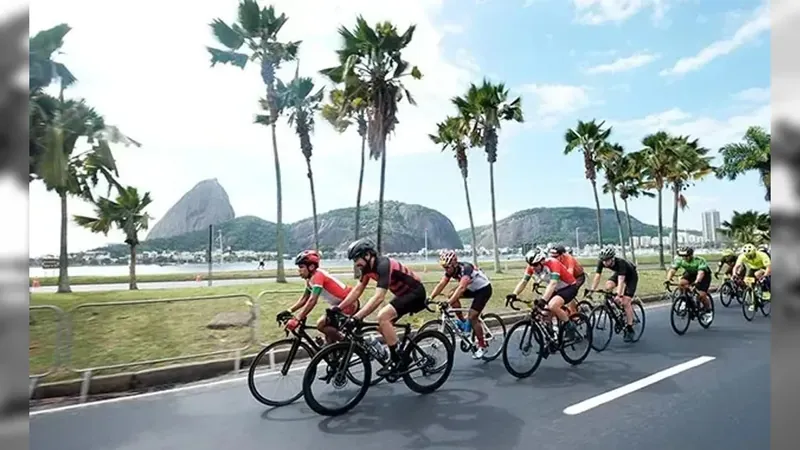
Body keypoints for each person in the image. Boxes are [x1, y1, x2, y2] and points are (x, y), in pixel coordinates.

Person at [336, 238, 427, 376]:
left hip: (416, 293)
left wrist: (356, 317)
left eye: (356, 259)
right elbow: (358, 290)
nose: (356, 264)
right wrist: (339, 308)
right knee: (381, 325)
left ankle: (397, 360)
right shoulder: (367, 269)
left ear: (367, 255)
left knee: (383, 316)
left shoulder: (383, 265)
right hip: (403, 295)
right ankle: (402, 354)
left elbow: (379, 297)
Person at [277, 250, 358, 344]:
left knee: (321, 324)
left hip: (348, 303)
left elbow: (312, 300)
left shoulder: (318, 276)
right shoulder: (310, 280)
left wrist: (298, 318)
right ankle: (335, 348)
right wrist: (288, 311)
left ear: (311, 267)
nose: (299, 270)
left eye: (301, 267)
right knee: (329, 336)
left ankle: (348, 344)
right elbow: (304, 299)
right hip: (339, 305)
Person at [428, 250, 493, 359]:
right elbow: (441, 284)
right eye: (444, 268)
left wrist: (448, 303)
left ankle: (482, 345)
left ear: (454, 264)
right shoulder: (450, 271)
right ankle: (463, 322)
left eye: (447, 267)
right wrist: (430, 297)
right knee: (451, 294)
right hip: (472, 289)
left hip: (484, 289)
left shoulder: (466, 268)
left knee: (473, 317)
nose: (446, 270)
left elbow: (462, 288)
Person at [506, 249, 581, 338]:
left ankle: (570, 326)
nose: (532, 267)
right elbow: (524, 281)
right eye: (531, 265)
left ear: (542, 261)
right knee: (544, 314)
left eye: (535, 265)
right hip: (556, 289)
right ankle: (551, 338)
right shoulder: (531, 267)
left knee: (553, 305)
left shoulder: (553, 263)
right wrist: (514, 293)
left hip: (569, 287)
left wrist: (543, 300)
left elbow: (553, 283)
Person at [588, 246, 639, 342]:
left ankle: (630, 328)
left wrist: (619, 295)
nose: (605, 263)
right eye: (603, 261)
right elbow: (597, 276)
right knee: (608, 286)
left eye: (607, 261)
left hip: (631, 276)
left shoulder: (621, 263)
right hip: (619, 274)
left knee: (625, 302)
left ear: (612, 258)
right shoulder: (601, 261)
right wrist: (592, 290)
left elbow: (621, 280)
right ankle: (614, 307)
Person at [665, 247, 713, 322]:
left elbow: (701, 273)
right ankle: (684, 300)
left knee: (701, 295)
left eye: (686, 256)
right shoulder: (680, 260)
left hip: (704, 275)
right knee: (681, 283)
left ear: (691, 255)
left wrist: (697, 283)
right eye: (683, 256)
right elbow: (672, 270)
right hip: (690, 273)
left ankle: (708, 310)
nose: (684, 258)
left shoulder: (699, 260)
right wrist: (668, 279)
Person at [549, 245, 586, 314]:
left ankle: (574, 313)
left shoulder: (569, 258)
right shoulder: (554, 261)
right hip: (567, 277)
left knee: (570, 292)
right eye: (552, 257)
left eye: (555, 257)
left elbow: (570, 274)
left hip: (578, 277)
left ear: (562, 255)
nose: (553, 259)